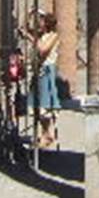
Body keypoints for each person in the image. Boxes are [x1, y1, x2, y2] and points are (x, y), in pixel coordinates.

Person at [25, 11, 61, 148]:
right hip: (38, 71)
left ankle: (49, 134)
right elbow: (26, 26)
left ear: (46, 23)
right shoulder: (41, 35)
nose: (38, 23)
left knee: (45, 106)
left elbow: (43, 50)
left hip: (46, 71)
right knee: (37, 106)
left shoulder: (53, 36)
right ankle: (45, 133)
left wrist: (30, 38)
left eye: (41, 20)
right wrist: (31, 13)